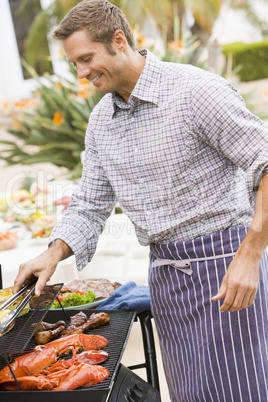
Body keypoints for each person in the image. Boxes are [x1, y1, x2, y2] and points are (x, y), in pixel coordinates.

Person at [13, 0, 268, 400]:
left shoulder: (196, 91)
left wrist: (250, 256)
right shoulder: (101, 122)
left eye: (86, 59)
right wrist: (52, 253)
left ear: (119, 40)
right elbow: (89, 203)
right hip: (165, 277)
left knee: (239, 390)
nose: (81, 74)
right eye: (74, 64)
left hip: (226, 271)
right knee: (189, 394)